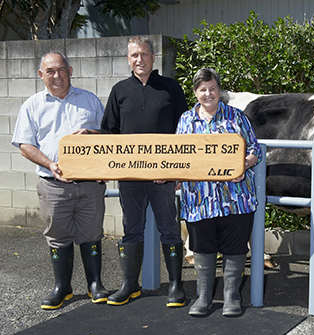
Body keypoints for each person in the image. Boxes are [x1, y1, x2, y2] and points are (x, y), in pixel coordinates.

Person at [11, 52, 108, 310]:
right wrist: (50, 164)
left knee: (92, 233)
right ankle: (62, 288)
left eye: (61, 69)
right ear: (41, 74)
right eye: (50, 71)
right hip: (52, 185)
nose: (57, 75)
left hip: (89, 185)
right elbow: (25, 145)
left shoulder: (90, 100)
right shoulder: (32, 105)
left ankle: (95, 284)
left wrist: (93, 132)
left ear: (71, 70)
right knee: (58, 236)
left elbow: (109, 136)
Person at [101, 35, 189, 307]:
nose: (140, 59)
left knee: (169, 229)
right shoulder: (119, 91)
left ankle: (175, 285)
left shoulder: (170, 88)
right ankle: (130, 285)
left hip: (163, 176)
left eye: (144, 54)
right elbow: (109, 133)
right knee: (131, 229)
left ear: (153, 57)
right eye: (134, 55)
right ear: (129, 60)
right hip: (129, 177)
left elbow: (183, 133)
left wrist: (175, 171)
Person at [175, 67, 261, 316]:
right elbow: (178, 156)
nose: (208, 93)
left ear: (219, 90)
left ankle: (231, 297)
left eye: (212, 88)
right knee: (202, 248)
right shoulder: (185, 120)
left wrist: (244, 164)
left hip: (235, 198)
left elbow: (255, 149)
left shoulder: (237, 117)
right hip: (199, 198)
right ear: (195, 92)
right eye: (203, 89)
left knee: (235, 247)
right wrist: (176, 176)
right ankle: (203, 298)